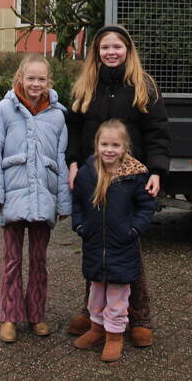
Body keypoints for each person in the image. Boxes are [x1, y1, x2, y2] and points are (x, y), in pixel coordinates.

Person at [65, 24, 170, 347]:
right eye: (105, 47)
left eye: (118, 47)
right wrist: (72, 164)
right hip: (93, 175)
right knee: (95, 243)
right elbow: (74, 129)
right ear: (96, 52)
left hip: (129, 177)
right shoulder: (85, 86)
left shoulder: (143, 86)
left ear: (128, 50)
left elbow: (157, 132)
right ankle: (94, 313)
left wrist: (156, 171)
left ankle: (139, 316)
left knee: (128, 248)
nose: (111, 52)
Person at [0, 54, 71, 343]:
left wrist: (63, 201)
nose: (35, 84)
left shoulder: (58, 115)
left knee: (39, 260)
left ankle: (36, 314)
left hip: (44, 197)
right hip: (13, 196)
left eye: (41, 79)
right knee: (11, 260)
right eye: (30, 78)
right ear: (20, 77)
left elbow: (61, 160)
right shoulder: (3, 111)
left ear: (49, 82)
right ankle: (9, 316)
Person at [71, 119, 156, 363]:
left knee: (118, 297)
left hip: (123, 247)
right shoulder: (87, 174)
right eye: (104, 144)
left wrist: (135, 229)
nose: (109, 149)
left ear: (125, 147)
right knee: (95, 294)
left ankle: (114, 336)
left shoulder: (134, 177)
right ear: (96, 145)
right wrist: (79, 225)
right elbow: (76, 201)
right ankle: (96, 329)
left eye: (115, 145)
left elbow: (146, 205)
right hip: (95, 246)